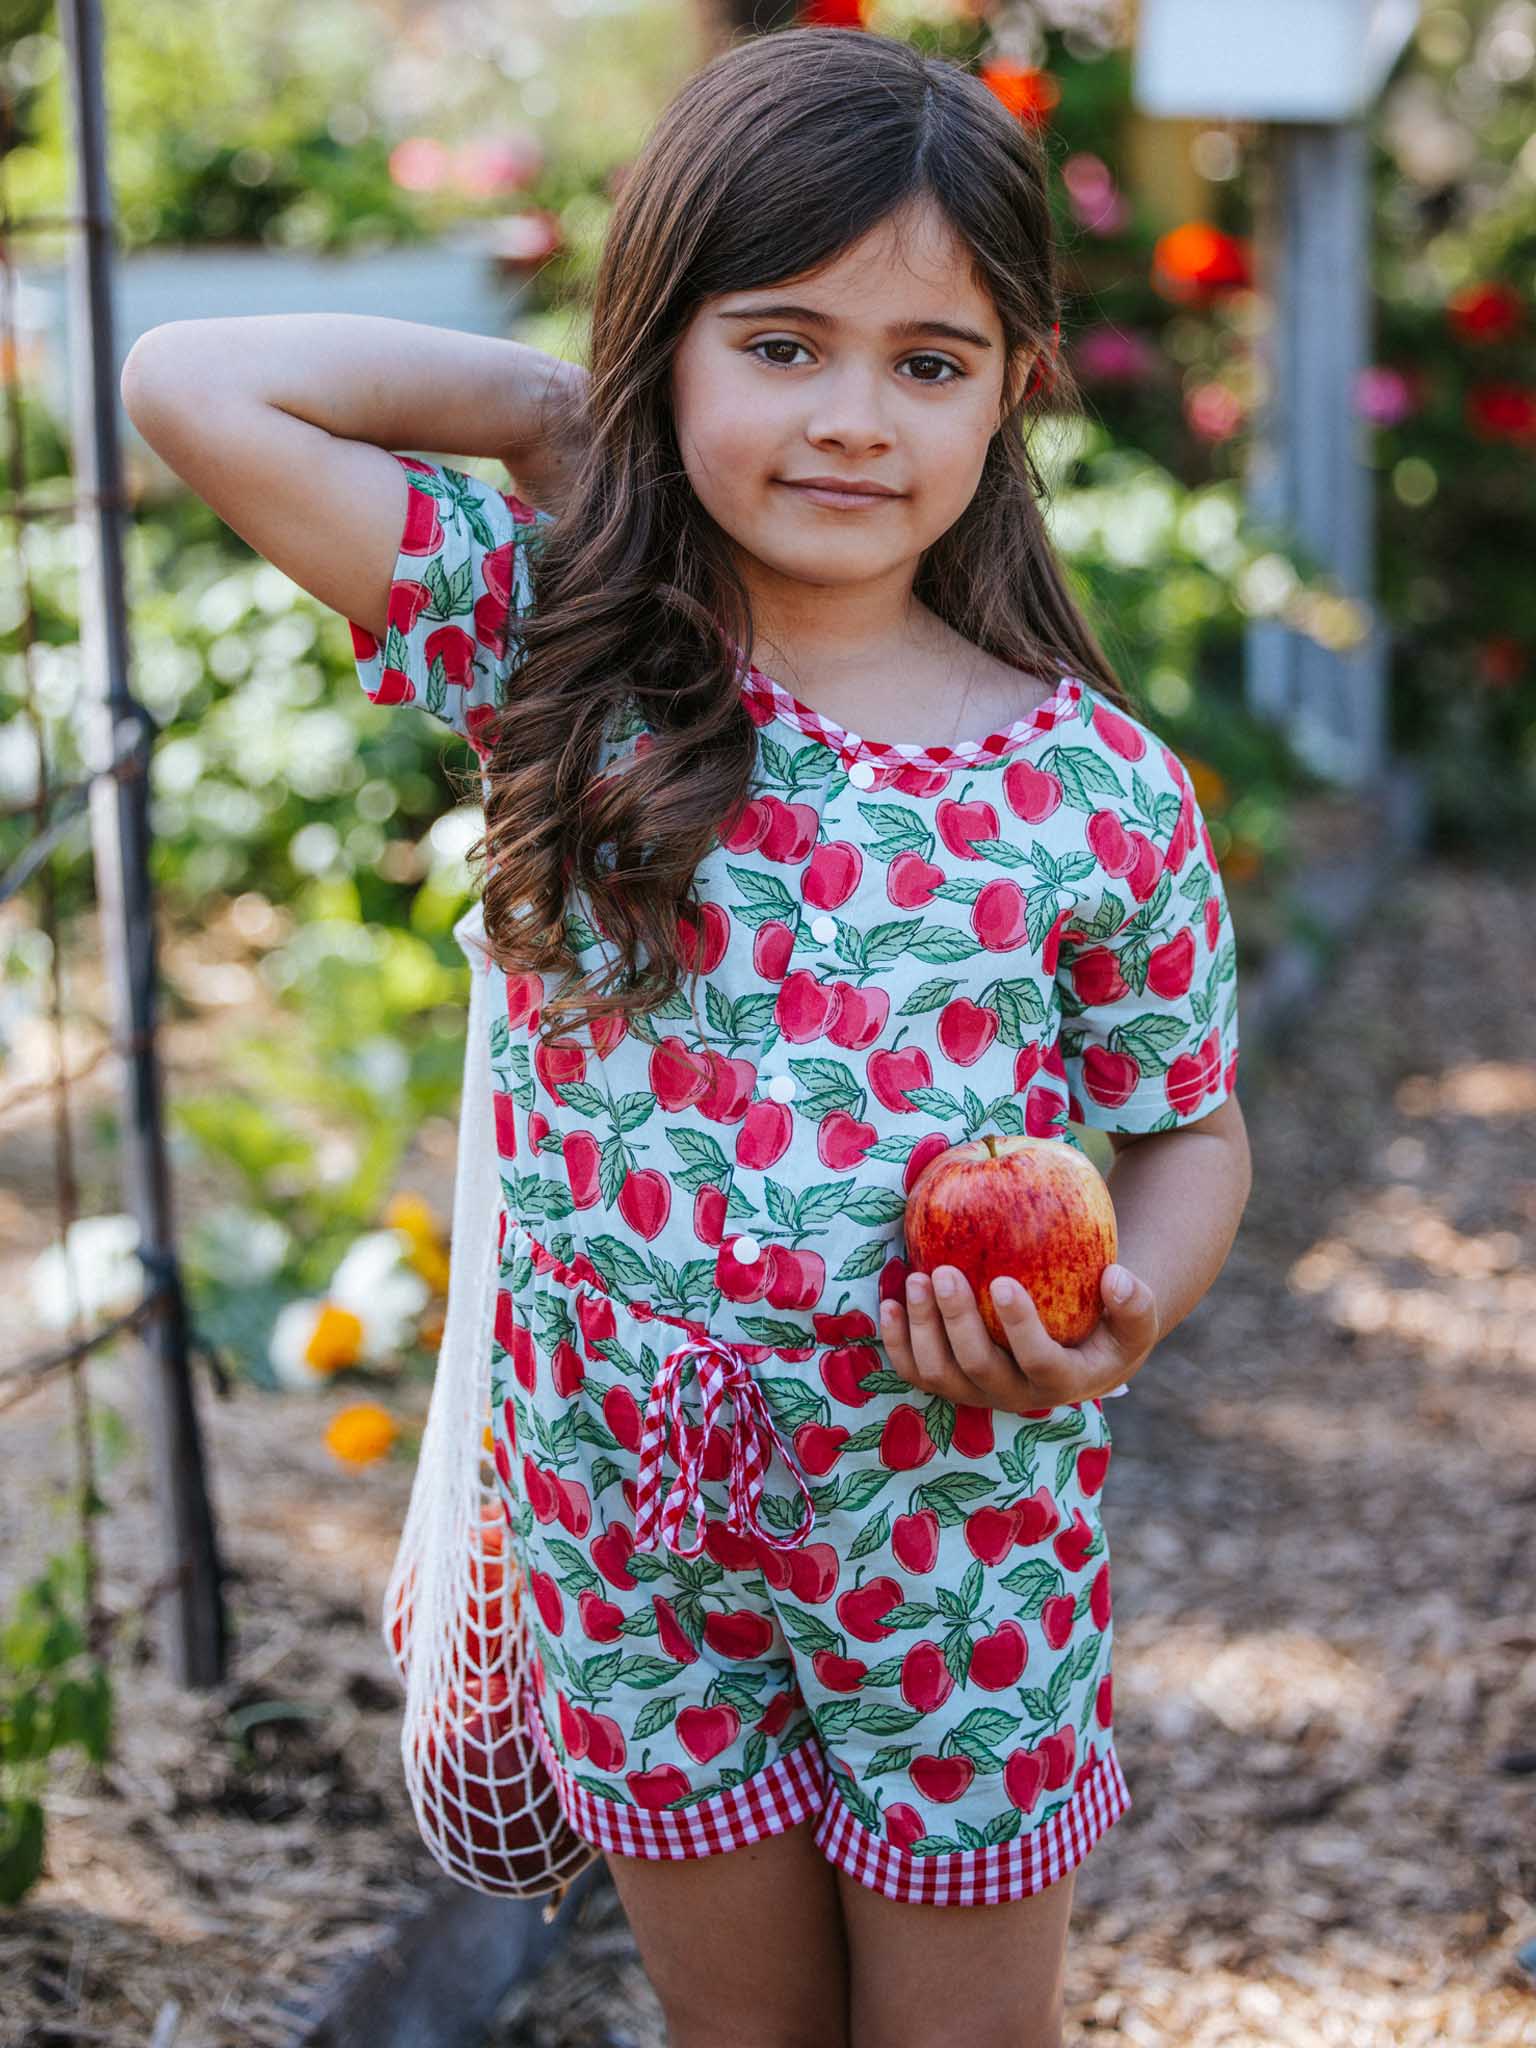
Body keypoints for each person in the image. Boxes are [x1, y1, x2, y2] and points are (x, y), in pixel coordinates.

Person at [121, 25, 1253, 2047]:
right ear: (676, 353)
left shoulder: (1095, 792)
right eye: (780, 342)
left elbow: (1188, 1128)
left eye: (928, 361)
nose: (851, 417)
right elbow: (190, 388)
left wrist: (1129, 1305)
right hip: (633, 1544)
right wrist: (569, 410)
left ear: (1013, 394)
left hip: (953, 1535)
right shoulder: (562, 656)